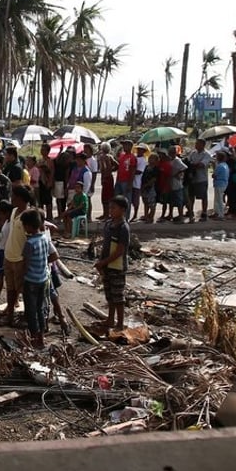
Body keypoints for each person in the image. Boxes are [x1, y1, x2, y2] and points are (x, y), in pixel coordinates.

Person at [20, 209, 55, 349]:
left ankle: (34, 337)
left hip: (31, 281)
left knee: (30, 310)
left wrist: (21, 279)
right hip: (43, 279)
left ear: (28, 226)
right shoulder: (45, 239)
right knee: (40, 308)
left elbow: (26, 264)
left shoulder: (29, 244)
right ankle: (41, 335)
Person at [95, 195, 130, 331]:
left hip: (117, 267)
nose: (110, 210)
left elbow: (119, 251)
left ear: (122, 210)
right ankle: (110, 319)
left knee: (118, 296)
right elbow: (106, 245)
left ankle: (120, 323)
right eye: (110, 208)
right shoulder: (109, 224)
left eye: (113, 208)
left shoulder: (123, 228)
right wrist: (101, 262)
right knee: (109, 294)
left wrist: (103, 262)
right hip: (106, 265)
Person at [2, 185, 35, 327]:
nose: (11, 197)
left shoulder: (29, 215)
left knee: (23, 291)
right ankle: (10, 315)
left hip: (20, 260)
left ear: (20, 198)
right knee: (10, 289)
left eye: (13, 195)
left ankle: (26, 318)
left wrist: (27, 263)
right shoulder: (14, 211)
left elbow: (31, 240)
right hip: (9, 256)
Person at [187, 139, 212, 221]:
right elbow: (187, 161)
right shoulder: (193, 153)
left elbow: (201, 164)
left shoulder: (207, 154)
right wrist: (192, 165)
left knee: (203, 196)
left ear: (203, 145)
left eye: (198, 144)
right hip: (192, 178)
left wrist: (192, 165)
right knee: (191, 196)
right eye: (196, 143)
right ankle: (190, 211)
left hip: (202, 178)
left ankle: (204, 212)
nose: (196, 145)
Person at [115, 139, 137, 219]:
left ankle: (126, 217)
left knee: (126, 200)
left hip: (126, 181)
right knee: (117, 199)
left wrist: (130, 184)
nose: (124, 147)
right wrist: (117, 180)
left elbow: (132, 171)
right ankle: (118, 216)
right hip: (119, 180)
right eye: (123, 145)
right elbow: (119, 168)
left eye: (126, 145)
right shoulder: (122, 155)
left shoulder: (132, 157)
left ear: (130, 146)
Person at [165, 145, 188, 222]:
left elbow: (184, 167)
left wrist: (176, 174)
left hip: (177, 183)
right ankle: (170, 214)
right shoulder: (169, 160)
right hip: (170, 183)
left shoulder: (177, 160)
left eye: (172, 153)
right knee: (171, 200)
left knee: (179, 200)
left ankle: (181, 216)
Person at [97, 142, 117, 220]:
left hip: (106, 178)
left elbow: (105, 168)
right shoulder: (109, 156)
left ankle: (107, 215)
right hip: (108, 177)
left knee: (106, 197)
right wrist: (111, 170)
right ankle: (106, 214)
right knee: (107, 197)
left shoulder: (103, 157)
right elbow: (116, 165)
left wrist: (106, 175)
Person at [131, 144, 149, 222]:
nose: (139, 150)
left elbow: (139, 171)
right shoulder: (134, 157)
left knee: (136, 200)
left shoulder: (143, 160)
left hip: (137, 182)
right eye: (138, 149)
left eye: (141, 149)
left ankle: (135, 214)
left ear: (144, 151)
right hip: (130, 181)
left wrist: (130, 171)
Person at [140, 152, 160, 223]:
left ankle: (151, 217)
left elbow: (154, 179)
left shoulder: (155, 169)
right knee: (145, 202)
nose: (150, 159)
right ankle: (146, 216)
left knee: (152, 204)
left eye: (152, 158)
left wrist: (147, 185)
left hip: (151, 188)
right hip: (144, 187)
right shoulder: (146, 167)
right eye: (150, 158)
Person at [37, 143, 55, 220]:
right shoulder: (40, 160)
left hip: (46, 182)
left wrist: (50, 182)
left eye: (43, 150)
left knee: (48, 201)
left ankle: (49, 216)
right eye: (41, 149)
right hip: (40, 181)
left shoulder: (50, 161)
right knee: (40, 200)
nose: (42, 151)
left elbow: (52, 172)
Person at [211, 151, 229, 220]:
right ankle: (217, 212)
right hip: (224, 183)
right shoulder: (225, 165)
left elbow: (214, 175)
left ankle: (221, 215)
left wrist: (214, 167)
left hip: (219, 183)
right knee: (218, 199)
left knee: (219, 200)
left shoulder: (219, 166)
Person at [83, 144, 99, 221]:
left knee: (88, 199)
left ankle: (89, 217)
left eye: (86, 149)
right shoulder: (84, 159)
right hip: (84, 181)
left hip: (90, 181)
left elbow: (94, 173)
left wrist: (92, 184)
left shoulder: (93, 160)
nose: (85, 150)